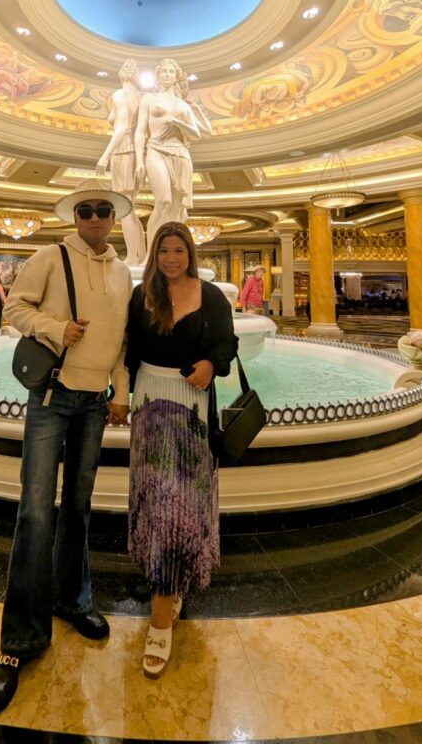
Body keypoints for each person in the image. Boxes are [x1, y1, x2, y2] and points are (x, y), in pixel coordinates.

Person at [0, 179, 133, 716]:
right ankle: (19, 641)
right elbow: (14, 310)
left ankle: (74, 600)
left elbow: (121, 338)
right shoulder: (49, 255)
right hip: (51, 395)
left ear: (113, 217)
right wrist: (54, 328)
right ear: (75, 216)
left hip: (95, 404)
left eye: (103, 210)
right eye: (86, 210)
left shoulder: (121, 271)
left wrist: (121, 390)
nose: (94, 218)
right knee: (37, 512)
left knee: (80, 508)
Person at [125, 221, 237, 678]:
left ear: (190, 253)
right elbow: (129, 348)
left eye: (179, 250)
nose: (172, 258)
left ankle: (161, 614)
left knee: (181, 507)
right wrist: (118, 392)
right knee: (157, 503)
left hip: (192, 405)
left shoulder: (211, 296)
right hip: (149, 400)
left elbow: (226, 345)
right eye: (165, 251)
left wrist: (212, 363)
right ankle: (167, 589)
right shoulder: (141, 295)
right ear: (155, 254)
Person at [134, 58, 211, 254]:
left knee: (176, 210)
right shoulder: (149, 99)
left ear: (176, 76)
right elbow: (140, 130)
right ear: (159, 75)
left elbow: (196, 133)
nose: (167, 74)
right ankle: (150, 255)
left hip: (181, 154)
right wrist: (139, 161)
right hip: (156, 148)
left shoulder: (183, 105)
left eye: (171, 71)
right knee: (163, 202)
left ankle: (170, 252)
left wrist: (178, 123)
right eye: (164, 71)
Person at [96, 58, 147, 266]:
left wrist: (105, 155)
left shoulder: (120, 95)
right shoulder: (140, 97)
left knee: (124, 208)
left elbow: (120, 127)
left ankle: (134, 257)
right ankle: (140, 255)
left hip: (123, 150)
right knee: (129, 207)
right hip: (134, 152)